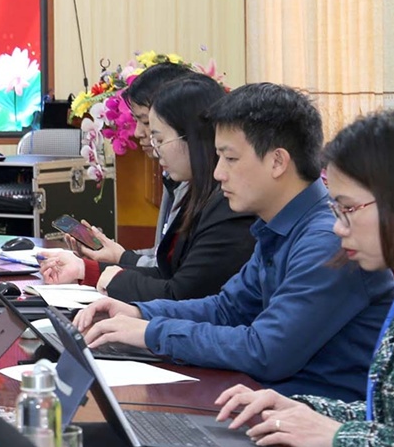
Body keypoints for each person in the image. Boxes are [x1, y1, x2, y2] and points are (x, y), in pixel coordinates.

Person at [75, 83, 394, 400]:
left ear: (277, 162)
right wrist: (140, 313)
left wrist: (153, 332)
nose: (218, 173)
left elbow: (266, 351)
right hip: (267, 401)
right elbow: (227, 309)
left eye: (230, 158)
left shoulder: (328, 239)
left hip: (313, 414)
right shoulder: (278, 225)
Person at [214, 112, 394, 447]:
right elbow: (389, 418)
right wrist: (300, 408)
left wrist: (341, 437)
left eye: (348, 208)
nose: (337, 228)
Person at [38, 75, 257, 302]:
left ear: (193, 138)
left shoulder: (228, 206)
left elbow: (179, 293)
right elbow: (168, 273)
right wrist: (85, 270)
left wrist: (108, 277)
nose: (152, 147)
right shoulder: (195, 191)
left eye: (159, 140)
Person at [72, 61, 199, 269]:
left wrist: (116, 260)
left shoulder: (201, 186)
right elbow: (161, 255)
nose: (138, 132)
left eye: (146, 122)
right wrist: (114, 255)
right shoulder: (173, 176)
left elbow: (174, 274)